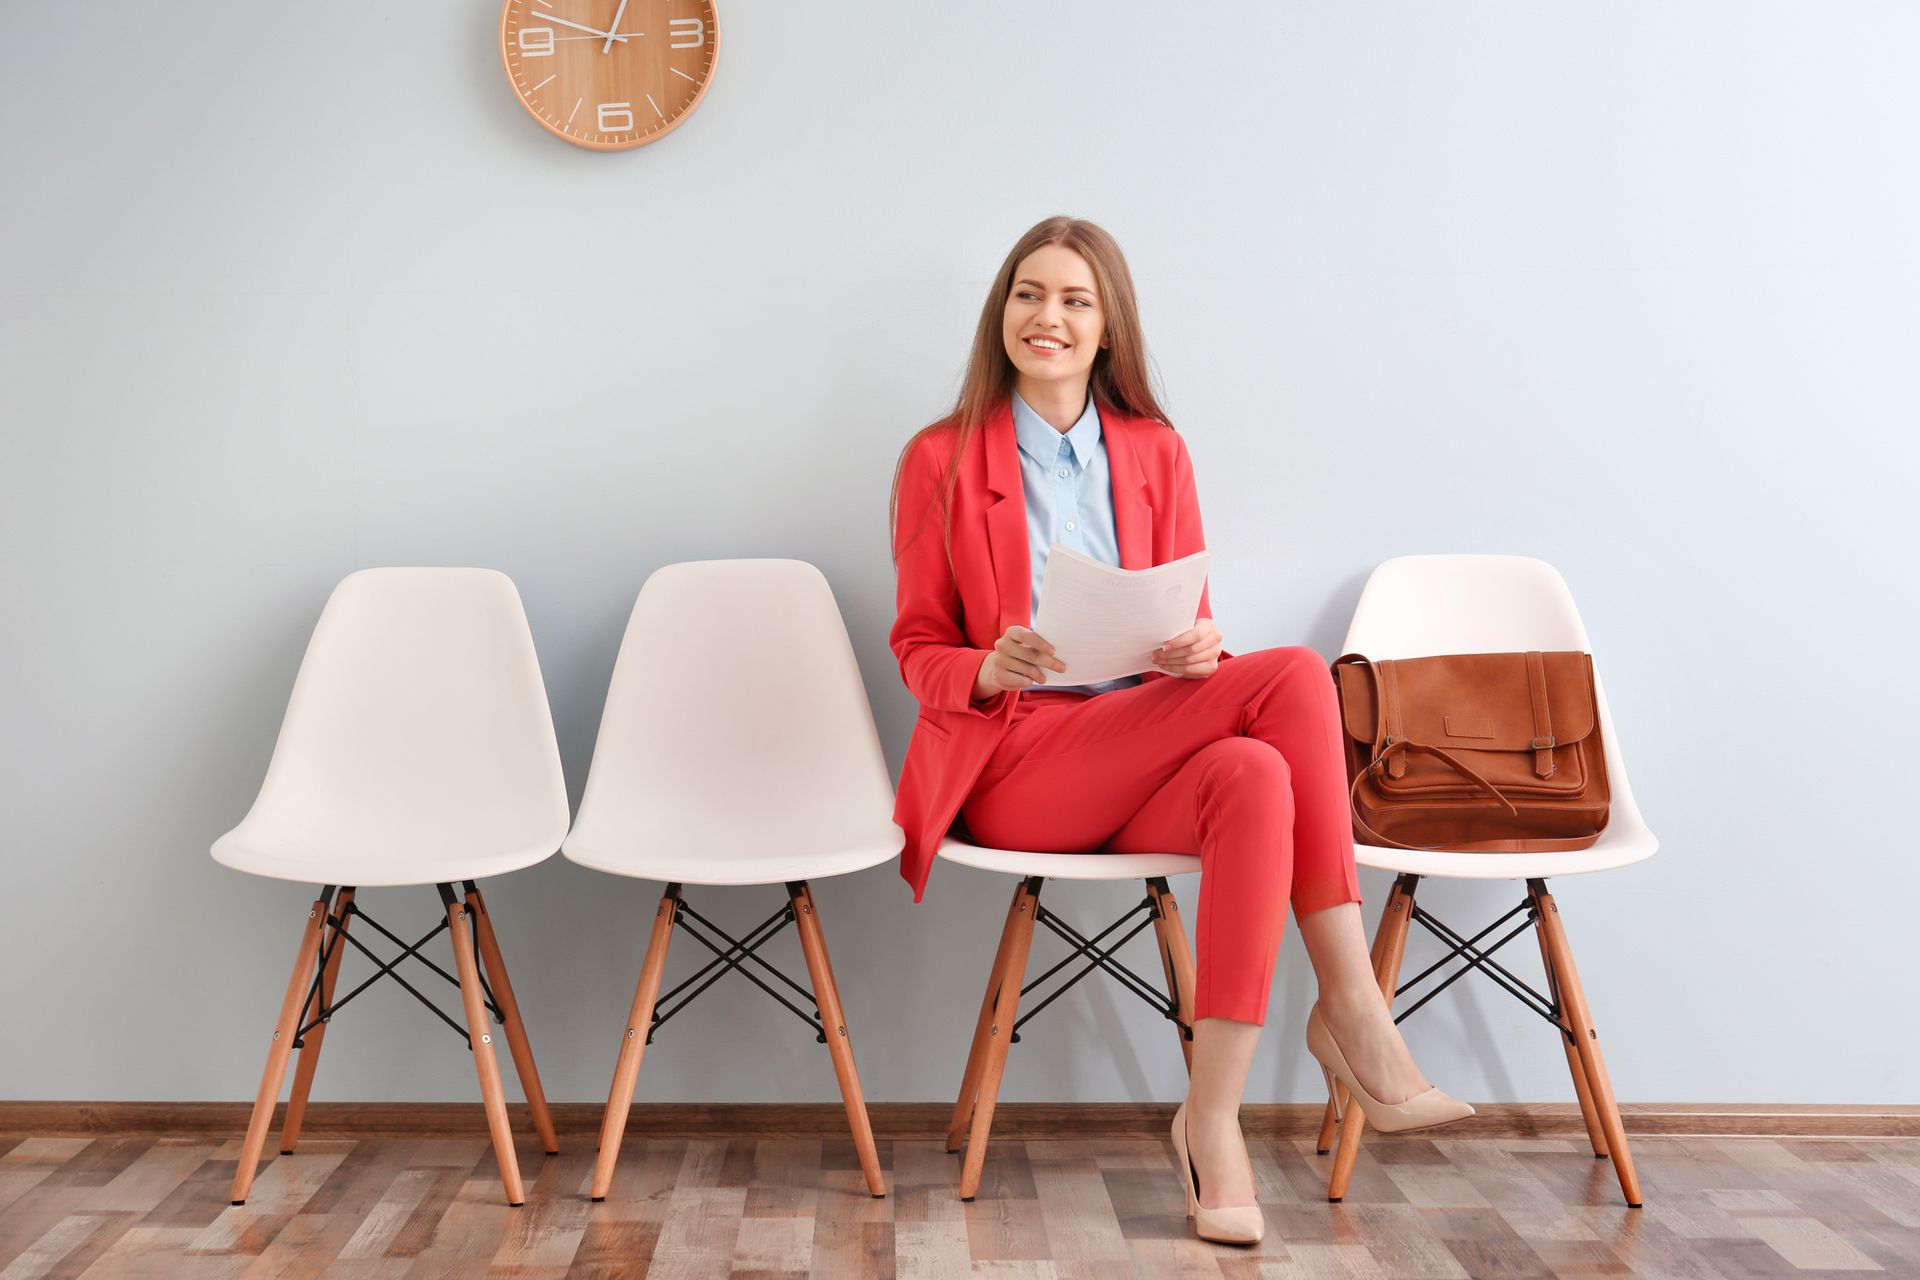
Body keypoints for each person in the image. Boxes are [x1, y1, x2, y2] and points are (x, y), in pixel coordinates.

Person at [887, 216, 1473, 1245]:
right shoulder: (940, 457)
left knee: (1251, 768)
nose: (1048, 316)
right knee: (1292, 673)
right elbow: (917, 643)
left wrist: (1198, 650)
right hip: (1021, 760)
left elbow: (1184, 622)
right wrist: (985, 663)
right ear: (1003, 310)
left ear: (1108, 327)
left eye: (1074, 299)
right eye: (1029, 293)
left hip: (1139, 737)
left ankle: (1211, 1122)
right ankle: (1354, 1007)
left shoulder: (1157, 452)